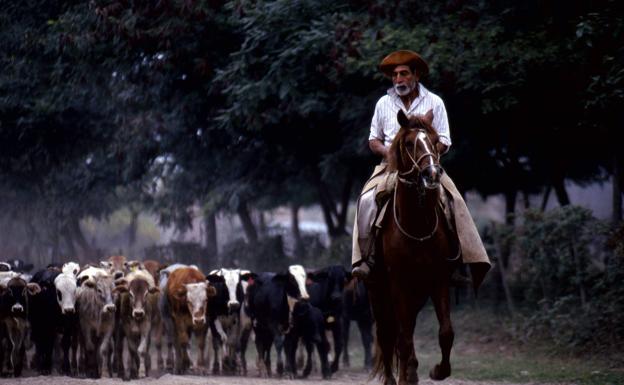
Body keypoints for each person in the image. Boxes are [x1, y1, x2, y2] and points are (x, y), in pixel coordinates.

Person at [351, 50, 490, 283]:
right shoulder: (383, 103)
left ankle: (460, 259)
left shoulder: (434, 102)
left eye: (403, 73)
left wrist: (427, 156)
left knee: (453, 201)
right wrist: (393, 153)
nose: (398, 79)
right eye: (394, 75)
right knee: (366, 200)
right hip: (390, 167)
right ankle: (366, 259)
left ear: (415, 75)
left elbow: (445, 139)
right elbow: (373, 139)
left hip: (428, 166)